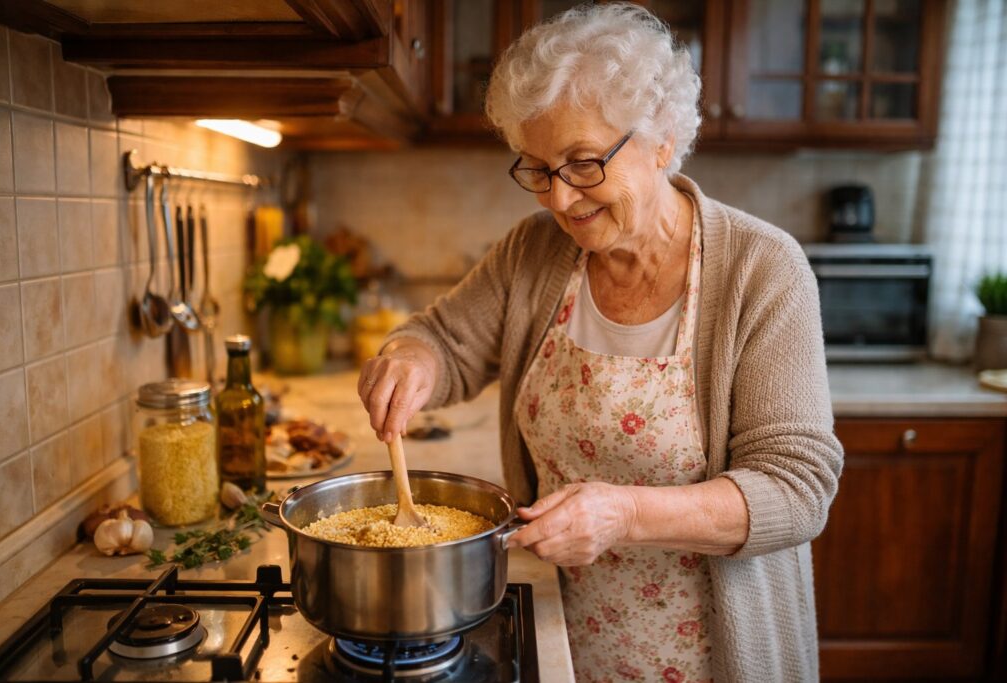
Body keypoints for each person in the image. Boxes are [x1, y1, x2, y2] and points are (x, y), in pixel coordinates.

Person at [357, 4, 843, 681]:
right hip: (560, 628)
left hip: (714, 653)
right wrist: (410, 358)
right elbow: (444, 339)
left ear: (662, 139)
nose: (558, 199)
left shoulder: (762, 269)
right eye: (537, 168)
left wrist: (624, 514)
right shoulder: (534, 252)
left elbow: (796, 490)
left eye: (583, 163)